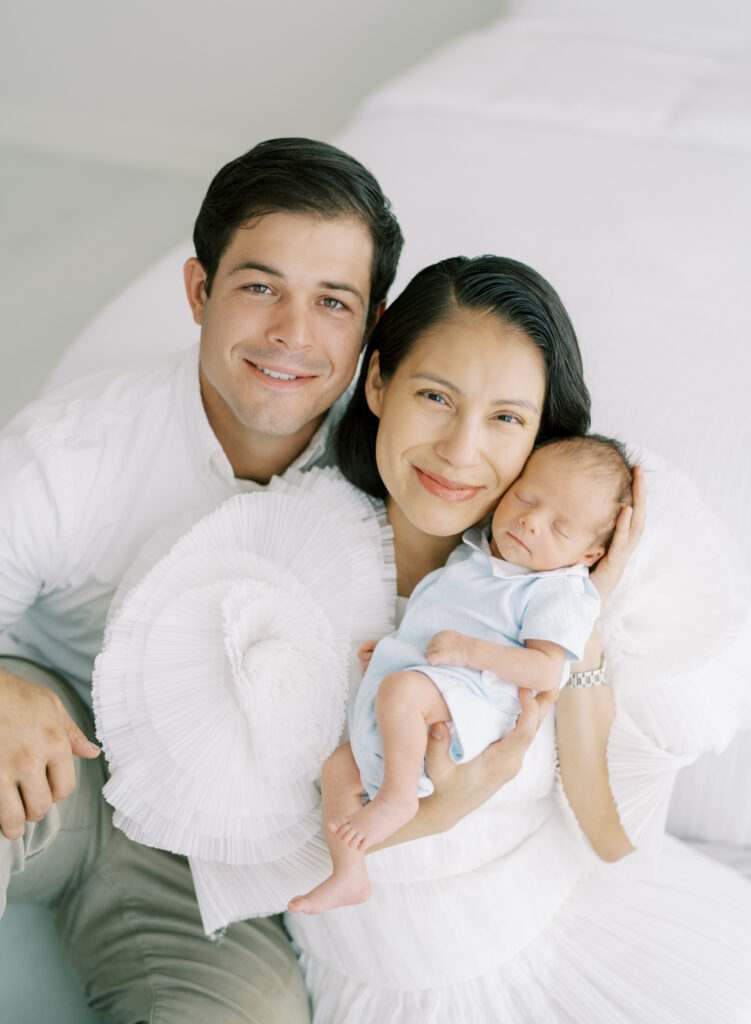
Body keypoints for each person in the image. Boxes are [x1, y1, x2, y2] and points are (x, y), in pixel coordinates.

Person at [0, 136, 416, 1023]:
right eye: (259, 286)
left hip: (217, 850)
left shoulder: (398, 474)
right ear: (200, 292)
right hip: (58, 751)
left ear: (372, 325)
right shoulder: (73, 450)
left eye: (331, 302)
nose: (291, 335)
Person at [279, 255, 751, 1022]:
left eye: (505, 417)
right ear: (377, 385)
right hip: (385, 973)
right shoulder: (293, 564)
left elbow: (606, 836)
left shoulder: (553, 599)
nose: (462, 450)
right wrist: (445, 809)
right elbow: (252, 846)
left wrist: (586, 616)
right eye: (435, 396)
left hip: (558, 933)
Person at [289, 434, 632, 914]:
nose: (531, 522)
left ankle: (398, 799)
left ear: (587, 556)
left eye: (559, 527)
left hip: (471, 704)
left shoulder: (559, 590)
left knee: (402, 692)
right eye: (527, 499)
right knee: (338, 770)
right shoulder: (478, 553)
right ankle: (349, 874)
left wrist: (470, 651)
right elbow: (439, 617)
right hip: (433, 685)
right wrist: (394, 651)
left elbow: (545, 672)